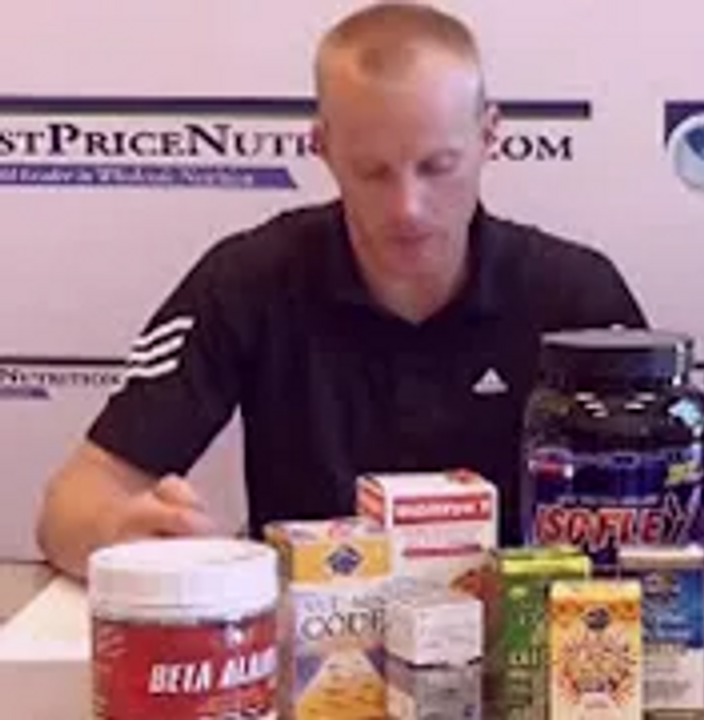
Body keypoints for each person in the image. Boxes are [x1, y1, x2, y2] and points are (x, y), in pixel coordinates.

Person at [36, 2, 645, 578]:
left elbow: (661, 519)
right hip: (315, 638)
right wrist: (121, 534)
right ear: (322, 147)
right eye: (373, 171)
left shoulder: (577, 299)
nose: (407, 208)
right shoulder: (248, 281)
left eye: (438, 166)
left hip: (527, 638)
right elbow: (72, 506)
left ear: (490, 137)